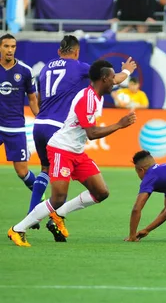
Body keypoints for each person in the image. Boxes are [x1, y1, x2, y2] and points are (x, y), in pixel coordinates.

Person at [8, 60, 137, 247]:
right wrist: (119, 124)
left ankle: (58, 215)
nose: (115, 82)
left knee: (101, 192)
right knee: (58, 197)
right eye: (112, 79)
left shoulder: (97, 96)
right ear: (104, 79)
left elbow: (89, 132)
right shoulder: (87, 98)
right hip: (61, 149)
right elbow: (91, 134)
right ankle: (18, 229)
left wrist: (126, 70)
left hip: (76, 152)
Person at [29, 36, 135, 235]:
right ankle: (43, 219)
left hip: (40, 123)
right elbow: (112, 79)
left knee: (45, 169)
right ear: (76, 52)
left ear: (59, 51)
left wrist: (41, 117)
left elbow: (39, 97)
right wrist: (128, 70)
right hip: (59, 128)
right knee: (60, 192)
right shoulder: (77, 67)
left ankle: (33, 214)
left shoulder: (45, 68)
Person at [0, 34, 39, 193]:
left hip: (15, 128)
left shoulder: (25, 71)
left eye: (13, 46)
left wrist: (41, 118)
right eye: (6, 46)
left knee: (22, 172)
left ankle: (42, 202)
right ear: (0, 47)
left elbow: (32, 100)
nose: (10, 50)